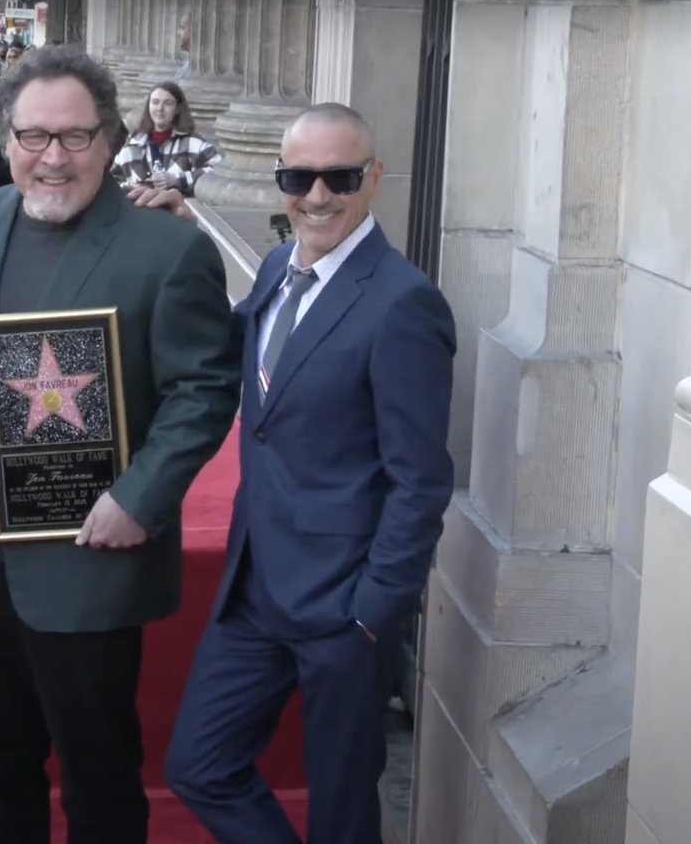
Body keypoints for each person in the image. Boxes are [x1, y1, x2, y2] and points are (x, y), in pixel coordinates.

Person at [0, 45, 241, 844]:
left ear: (111, 140)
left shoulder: (169, 250)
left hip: (92, 558)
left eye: (76, 138)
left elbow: (204, 390)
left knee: (101, 778)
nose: (53, 158)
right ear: (3, 140)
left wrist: (138, 500)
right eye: (34, 136)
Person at [163, 103, 456, 844]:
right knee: (199, 765)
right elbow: (256, 366)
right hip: (256, 587)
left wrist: (373, 610)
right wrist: (186, 241)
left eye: (339, 177)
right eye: (299, 177)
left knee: (343, 811)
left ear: (374, 179)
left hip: (344, 606)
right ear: (279, 180)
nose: (317, 196)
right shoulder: (273, 267)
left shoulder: (403, 304)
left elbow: (420, 478)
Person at [111, 82, 220, 196]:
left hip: (178, 211)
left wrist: (177, 180)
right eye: (155, 102)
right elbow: (113, 180)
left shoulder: (193, 143)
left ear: (177, 108)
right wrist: (130, 188)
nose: (160, 108)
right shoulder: (133, 144)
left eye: (167, 103)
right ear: (148, 106)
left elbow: (217, 172)